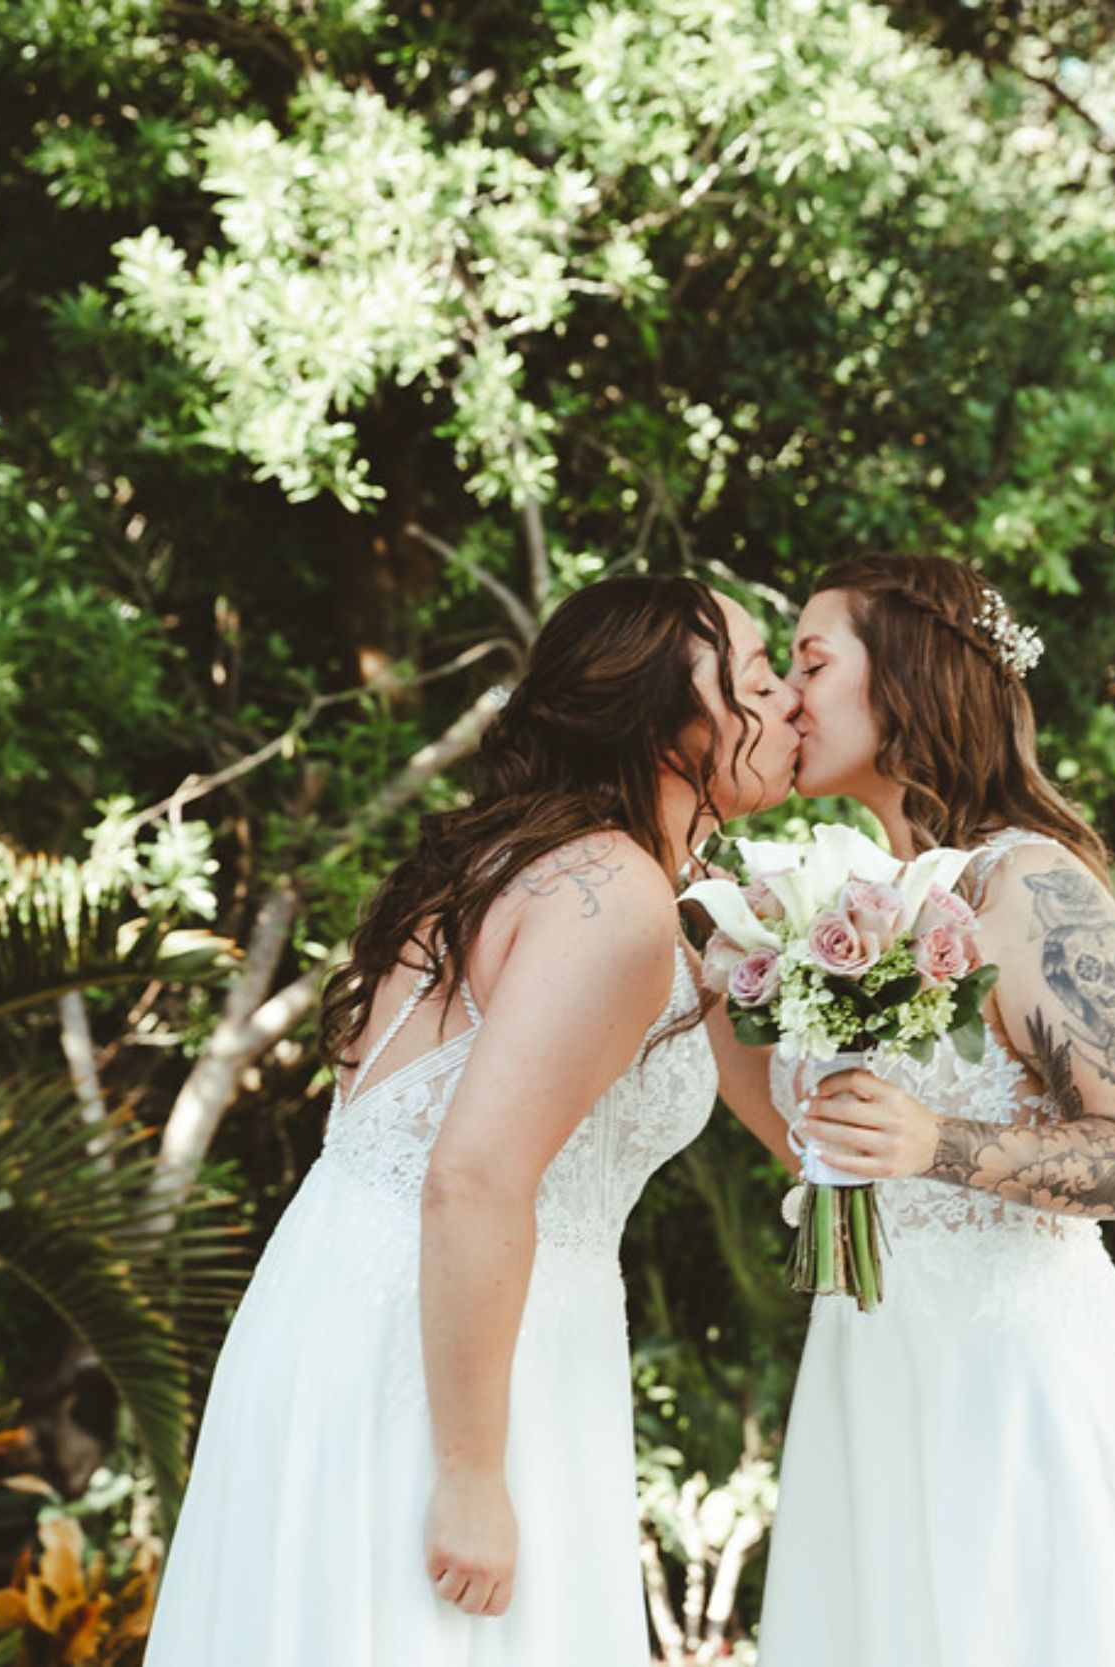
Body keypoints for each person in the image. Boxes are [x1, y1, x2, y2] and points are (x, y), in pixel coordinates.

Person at [148, 575, 801, 1664]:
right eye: (760, 677)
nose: (787, 701)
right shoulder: (613, 891)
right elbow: (473, 1178)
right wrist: (469, 1474)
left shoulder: (554, 865)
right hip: (447, 1354)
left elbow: (788, 1122)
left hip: (365, 1300)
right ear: (667, 727)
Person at [710, 554, 1115, 1666]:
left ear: (908, 673)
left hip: (1017, 1389)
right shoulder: (838, 906)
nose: (788, 697)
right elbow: (805, 1142)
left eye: (812, 662)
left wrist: (934, 1141)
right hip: (870, 1375)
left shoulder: (1033, 885)